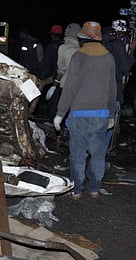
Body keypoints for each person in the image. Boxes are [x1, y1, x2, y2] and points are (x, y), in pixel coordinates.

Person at [53, 21, 117, 199]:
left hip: (79, 114)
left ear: (83, 38)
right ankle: (95, 188)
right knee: (98, 154)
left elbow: (70, 88)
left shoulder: (78, 57)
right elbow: (113, 89)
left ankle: (77, 190)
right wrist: (111, 114)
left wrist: (60, 113)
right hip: (102, 114)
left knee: (78, 153)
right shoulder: (109, 57)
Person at [102, 23, 136, 154]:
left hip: (93, 93)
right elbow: (125, 67)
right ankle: (102, 154)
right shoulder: (117, 45)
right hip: (113, 92)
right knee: (109, 125)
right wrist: (131, 51)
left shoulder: (97, 44)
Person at [47, 23, 82, 142]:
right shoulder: (83, 49)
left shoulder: (63, 48)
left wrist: (55, 84)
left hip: (65, 85)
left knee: (60, 110)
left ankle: (60, 135)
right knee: (74, 112)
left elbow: (61, 69)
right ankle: (73, 134)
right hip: (80, 87)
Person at [29, 25, 64, 114]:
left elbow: (47, 62)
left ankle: (30, 111)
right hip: (63, 75)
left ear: (52, 35)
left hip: (53, 75)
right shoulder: (63, 45)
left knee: (41, 87)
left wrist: (41, 75)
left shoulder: (52, 46)